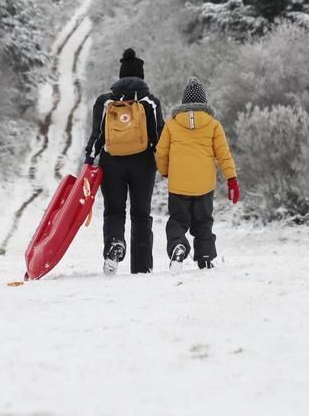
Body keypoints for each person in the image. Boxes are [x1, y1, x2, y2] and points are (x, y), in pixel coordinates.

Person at [84, 48, 165, 275]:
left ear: (120, 75)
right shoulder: (151, 102)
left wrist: (89, 160)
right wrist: (165, 163)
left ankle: (113, 247)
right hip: (143, 163)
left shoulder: (105, 101)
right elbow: (159, 137)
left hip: (112, 163)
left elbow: (97, 136)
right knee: (141, 214)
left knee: (113, 211)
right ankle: (141, 267)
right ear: (141, 76)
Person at [154, 77, 239, 273]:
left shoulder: (172, 124)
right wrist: (231, 179)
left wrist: (165, 170)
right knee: (203, 221)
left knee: (177, 220)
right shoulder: (213, 125)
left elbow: (161, 152)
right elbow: (223, 154)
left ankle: (178, 246)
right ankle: (206, 257)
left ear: (184, 103)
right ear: (204, 102)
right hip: (204, 185)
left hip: (178, 184)